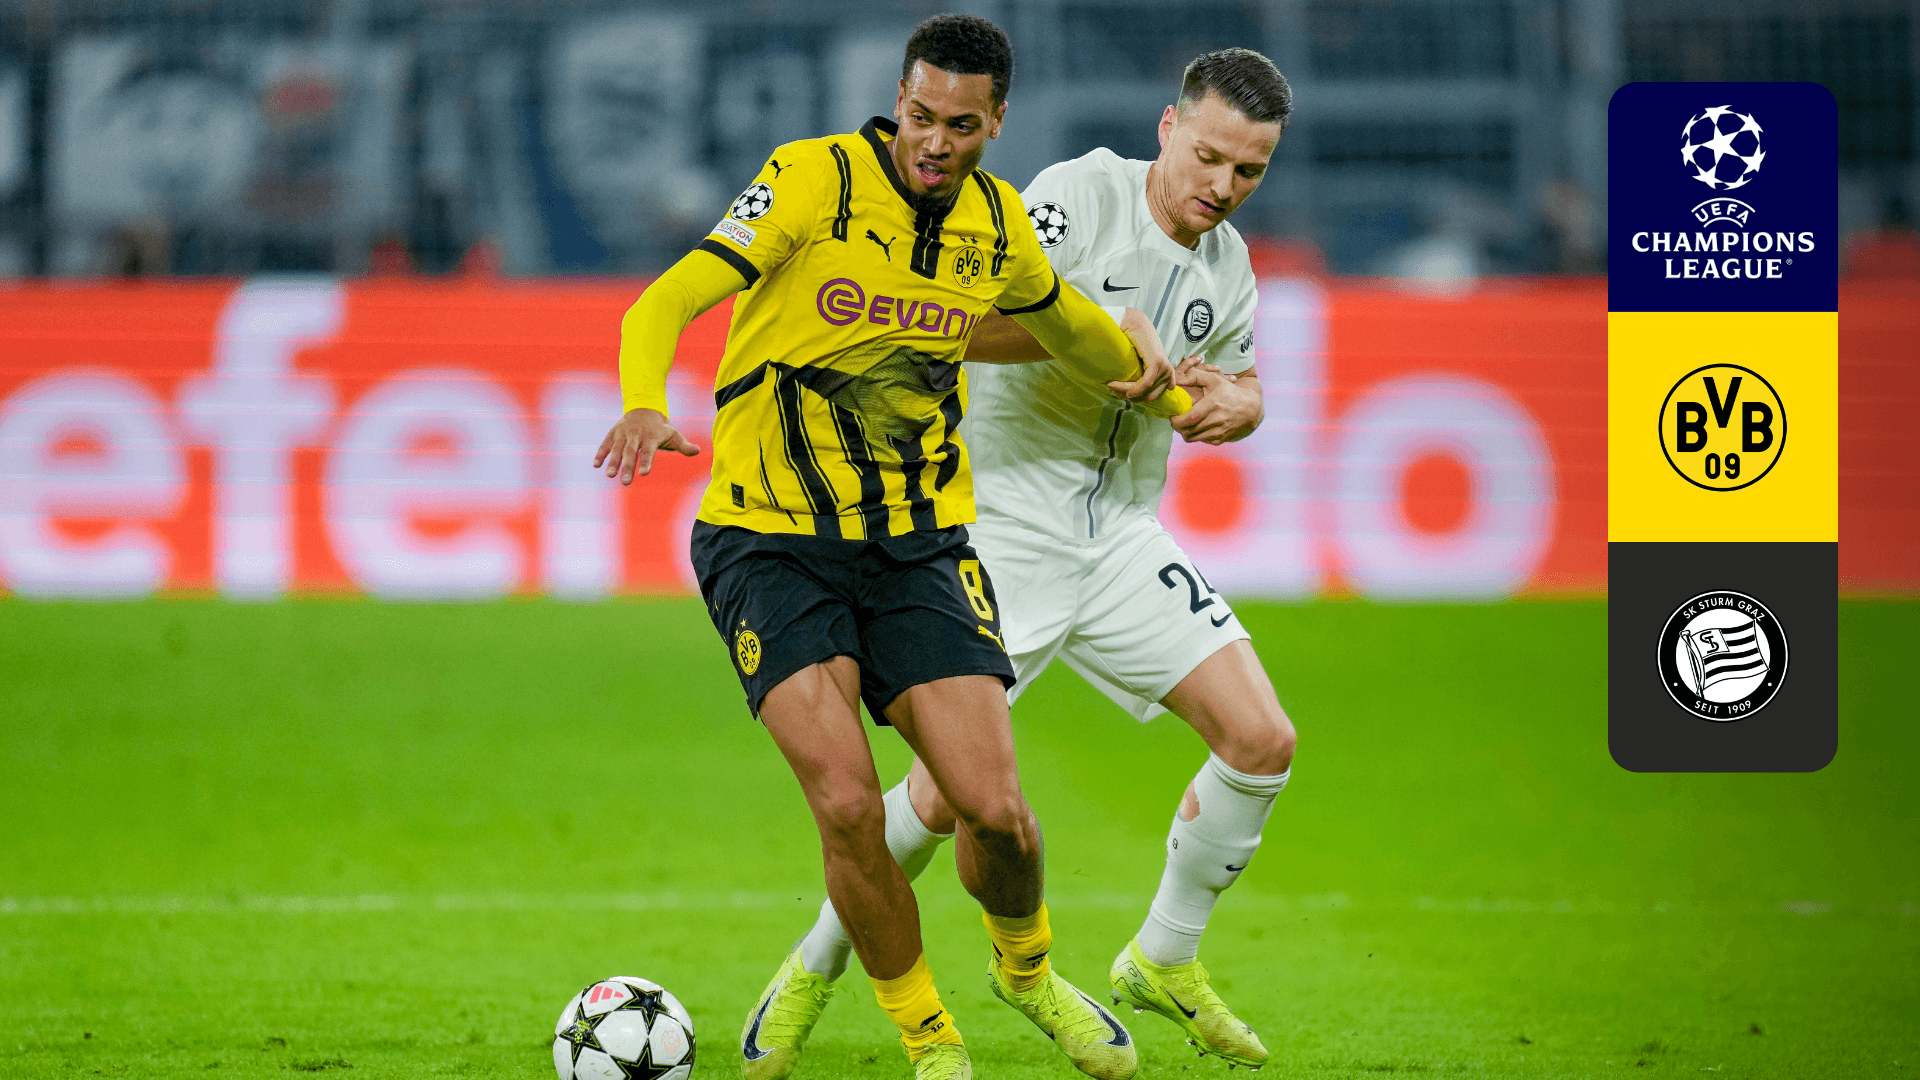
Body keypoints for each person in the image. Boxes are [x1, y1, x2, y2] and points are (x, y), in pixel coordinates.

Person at [593, 15, 1193, 1080]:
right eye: (921, 116)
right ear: (900, 100)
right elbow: (666, 299)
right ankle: (928, 1038)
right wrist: (644, 399)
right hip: (768, 543)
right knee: (845, 803)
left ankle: (1027, 972)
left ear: (995, 122)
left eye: (961, 125)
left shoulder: (997, 225)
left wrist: (1178, 393)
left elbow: (1067, 329)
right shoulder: (811, 180)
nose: (934, 142)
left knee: (995, 815)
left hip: (916, 548)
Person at [753, 47, 1299, 1075]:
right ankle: (811, 967)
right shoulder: (1078, 197)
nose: (1223, 186)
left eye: (1250, 171)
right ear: (1168, 127)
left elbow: (1237, 380)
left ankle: (1164, 958)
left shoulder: (1227, 264)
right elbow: (957, 320)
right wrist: (1090, 334)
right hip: (1003, 526)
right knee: (944, 797)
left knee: (1262, 740)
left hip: (1120, 535)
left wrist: (1244, 406)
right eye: (1210, 156)